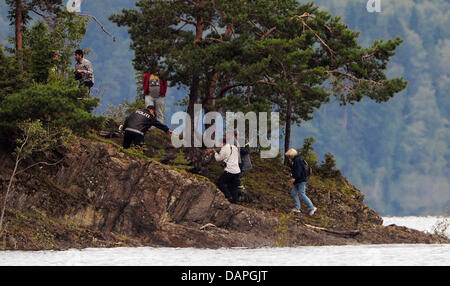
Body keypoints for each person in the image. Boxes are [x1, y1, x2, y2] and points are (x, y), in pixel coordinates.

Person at [207, 137, 241, 204]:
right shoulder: (234, 147)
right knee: (233, 187)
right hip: (237, 171)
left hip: (229, 170)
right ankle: (235, 201)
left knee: (220, 183)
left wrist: (215, 153)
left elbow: (218, 159)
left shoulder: (224, 149)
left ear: (222, 143)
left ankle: (228, 196)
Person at [285, 148, 317, 216]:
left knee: (302, 194)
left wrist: (294, 178)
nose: (289, 157)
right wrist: (291, 164)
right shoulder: (296, 160)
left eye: (289, 156)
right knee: (294, 193)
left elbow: (298, 171)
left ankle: (312, 207)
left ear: (292, 155)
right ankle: (297, 208)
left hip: (300, 180)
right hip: (299, 180)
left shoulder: (297, 160)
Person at [234, 130, 252, 202]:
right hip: (238, 164)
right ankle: (240, 194)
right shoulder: (232, 142)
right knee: (237, 178)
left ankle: (242, 194)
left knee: (238, 178)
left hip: (244, 164)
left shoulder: (243, 140)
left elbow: (248, 151)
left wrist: (239, 149)